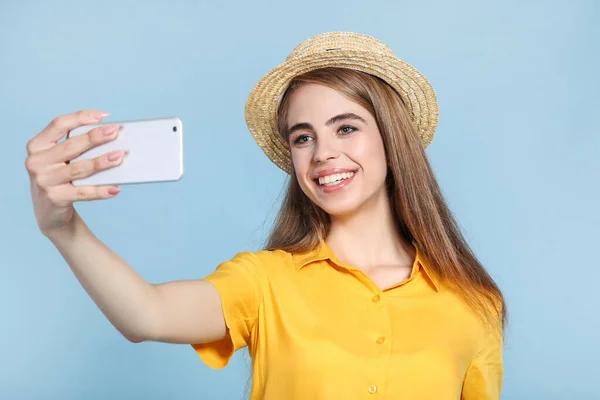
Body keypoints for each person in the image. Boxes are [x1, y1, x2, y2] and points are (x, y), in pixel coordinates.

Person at [25, 32, 505, 399]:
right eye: (303, 137)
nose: (323, 153)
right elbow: (147, 315)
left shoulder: (473, 304)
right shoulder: (264, 282)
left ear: (390, 139)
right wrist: (62, 228)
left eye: (346, 128)